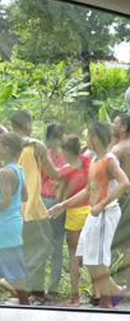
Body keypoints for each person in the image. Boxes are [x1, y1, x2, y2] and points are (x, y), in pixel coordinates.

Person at [48, 122, 130, 309]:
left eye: (89, 136)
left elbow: (125, 183)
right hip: (94, 214)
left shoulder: (109, 160)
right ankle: (114, 292)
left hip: (105, 213)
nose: (87, 140)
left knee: (98, 260)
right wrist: (62, 205)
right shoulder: (94, 161)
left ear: (95, 138)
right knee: (89, 257)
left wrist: (102, 204)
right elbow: (88, 191)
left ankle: (107, 302)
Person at [11, 110, 62, 302]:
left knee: (21, 250)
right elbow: (53, 173)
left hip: (13, 209)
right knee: (42, 247)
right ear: (27, 125)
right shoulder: (37, 146)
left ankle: (25, 291)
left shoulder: (7, 146)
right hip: (33, 207)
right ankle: (36, 292)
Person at [56, 135, 91, 307]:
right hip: (91, 211)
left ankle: (75, 297)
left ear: (66, 151)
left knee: (74, 257)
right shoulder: (88, 162)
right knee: (91, 254)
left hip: (74, 214)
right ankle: (97, 294)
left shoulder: (66, 171)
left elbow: (60, 197)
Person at [109, 113, 130, 290]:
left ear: (122, 127)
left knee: (111, 241)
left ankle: (110, 283)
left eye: (115, 123)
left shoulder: (118, 150)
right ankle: (129, 283)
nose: (113, 125)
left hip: (122, 197)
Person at [0, 132, 29, 305]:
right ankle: (24, 303)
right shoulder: (19, 171)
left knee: (13, 269)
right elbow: (25, 196)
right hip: (14, 223)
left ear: (7, 148)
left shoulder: (5, 172)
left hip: (4, 226)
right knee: (14, 267)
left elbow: (4, 202)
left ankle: (25, 305)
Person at [40, 123, 67, 298]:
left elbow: (40, 179)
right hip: (59, 202)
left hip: (45, 201)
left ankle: (38, 288)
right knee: (57, 246)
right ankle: (54, 287)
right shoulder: (67, 156)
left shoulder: (44, 155)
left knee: (43, 246)